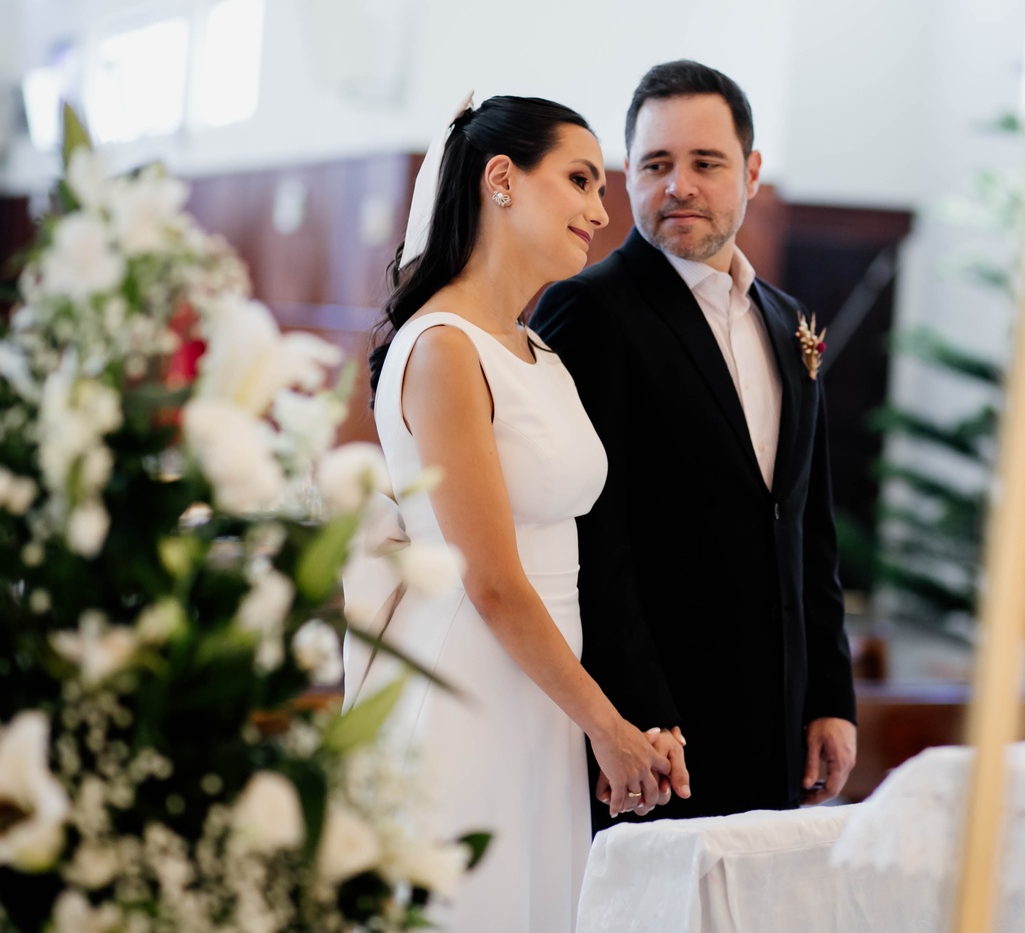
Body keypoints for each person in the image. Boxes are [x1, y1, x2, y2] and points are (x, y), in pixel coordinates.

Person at [346, 94, 687, 933]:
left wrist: (609, 721)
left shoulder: (537, 352)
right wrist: (607, 726)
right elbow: (493, 581)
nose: (600, 210)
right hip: (469, 683)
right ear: (501, 178)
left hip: (546, 695)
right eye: (579, 180)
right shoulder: (444, 348)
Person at [532, 61, 857, 827]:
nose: (678, 186)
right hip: (658, 736)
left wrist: (829, 696)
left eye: (705, 163)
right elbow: (592, 538)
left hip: (780, 723)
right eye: (655, 165)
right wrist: (638, 712)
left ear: (751, 172)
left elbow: (809, 528)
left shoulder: (789, 321)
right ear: (628, 176)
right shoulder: (590, 312)